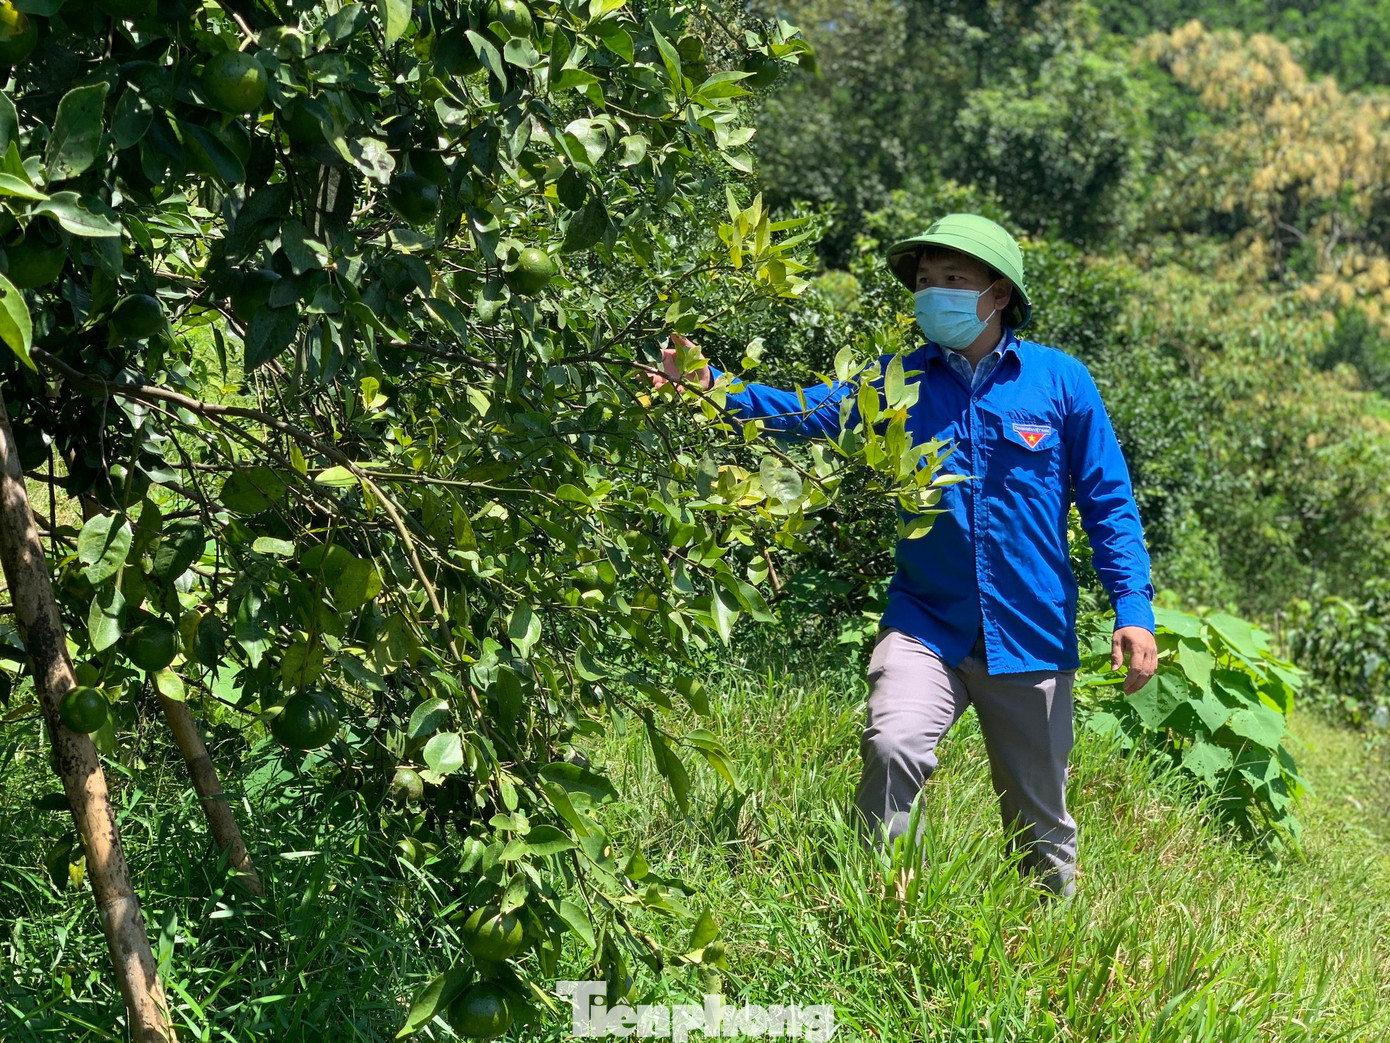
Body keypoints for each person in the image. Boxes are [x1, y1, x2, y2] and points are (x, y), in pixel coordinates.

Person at [646, 213, 1157, 899]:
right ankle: (888, 911)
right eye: (924, 281)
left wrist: (1134, 608)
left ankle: (1051, 941)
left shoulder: (1060, 383)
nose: (934, 293)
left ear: (998, 293)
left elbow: (1108, 501)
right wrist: (712, 387)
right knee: (893, 745)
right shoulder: (897, 380)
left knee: (1039, 823)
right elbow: (806, 413)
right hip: (926, 622)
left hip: (1030, 634)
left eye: (954, 279)